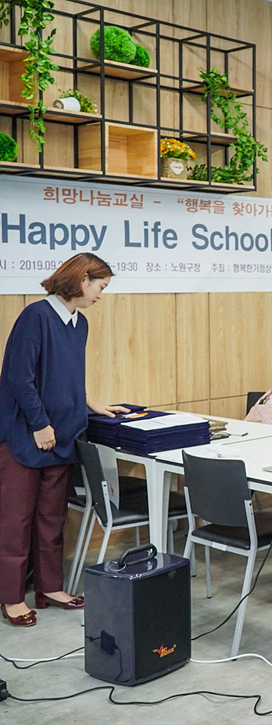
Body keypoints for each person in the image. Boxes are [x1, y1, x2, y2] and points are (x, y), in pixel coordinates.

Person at [0, 253, 129, 627]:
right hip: (27, 436)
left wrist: (92, 404)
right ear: (82, 279)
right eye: (100, 287)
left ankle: (50, 587)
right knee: (16, 521)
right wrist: (39, 424)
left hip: (64, 435)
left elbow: (71, 376)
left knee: (52, 518)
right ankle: (10, 598)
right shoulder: (35, 317)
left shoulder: (79, 324)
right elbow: (18, 378)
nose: (100, 296)